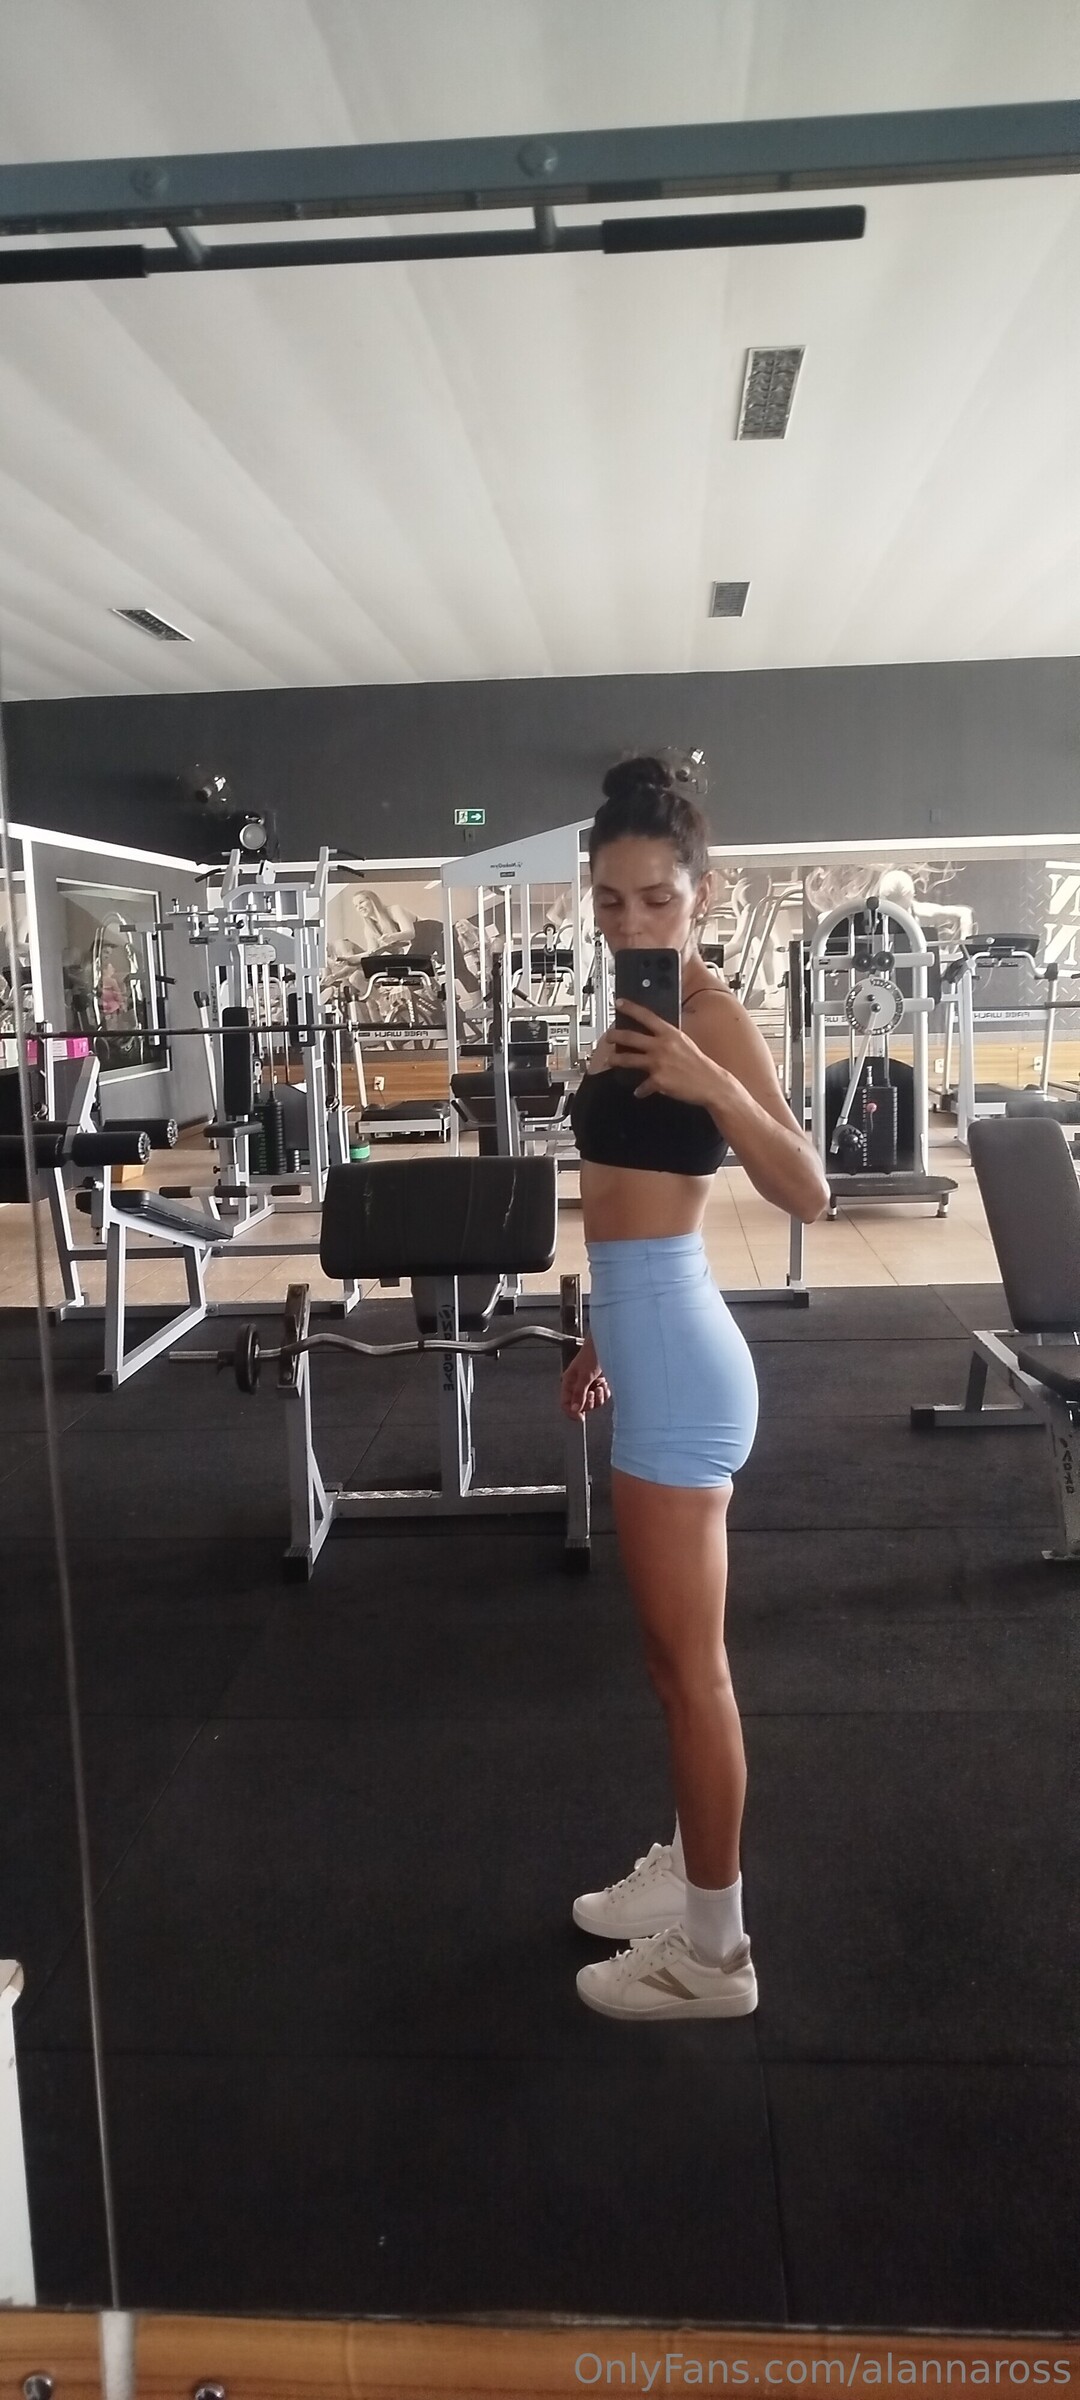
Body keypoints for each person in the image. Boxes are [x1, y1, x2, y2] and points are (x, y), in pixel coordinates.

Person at [562, 753, 830, 2023]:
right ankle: (688, 1868)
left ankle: (715, 1953)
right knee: (671, 1666)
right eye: (611, 902)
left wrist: (715, 1084)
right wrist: (596, 1333)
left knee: (693, 1670)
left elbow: (808, 1190)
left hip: (684, 1366)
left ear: (703, 895)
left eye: (657, 901)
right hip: (649, 1339)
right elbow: (623, 1200)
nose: (633, 924)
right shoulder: (629, 1008)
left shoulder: (711, 1017)